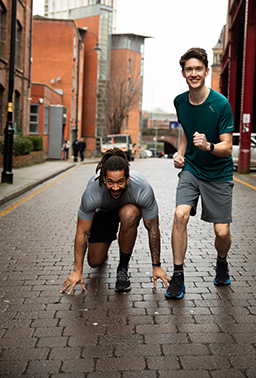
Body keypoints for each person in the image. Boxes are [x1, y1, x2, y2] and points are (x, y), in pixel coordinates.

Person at [165, 47, 234, 299]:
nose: (193, 73)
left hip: (218, 172)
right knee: (180, 215)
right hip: (192, 168)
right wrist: (180, 152)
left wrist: (209, 146)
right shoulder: (179, 102)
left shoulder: (221, 104)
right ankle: (178, 275)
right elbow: (186, 130)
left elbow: (227, 148)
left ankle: (222, 261)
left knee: (222, 232)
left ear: (206, 71)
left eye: (198, 69)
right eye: (189, 69)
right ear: (183, 73)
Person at [61, 147, 170, 294]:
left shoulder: (142, 189)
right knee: (94, 262)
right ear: (104, 179)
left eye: (120, 182)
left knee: (128, 214)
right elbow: (82, 232)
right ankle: (103, 250)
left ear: (128, 178)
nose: (116, 187)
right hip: (104, 212)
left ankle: (122, 269)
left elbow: (153, 228)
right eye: (110, 182)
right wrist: (77, 270)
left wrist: (156, 265)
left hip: (127, 209)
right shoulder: (92, 192)